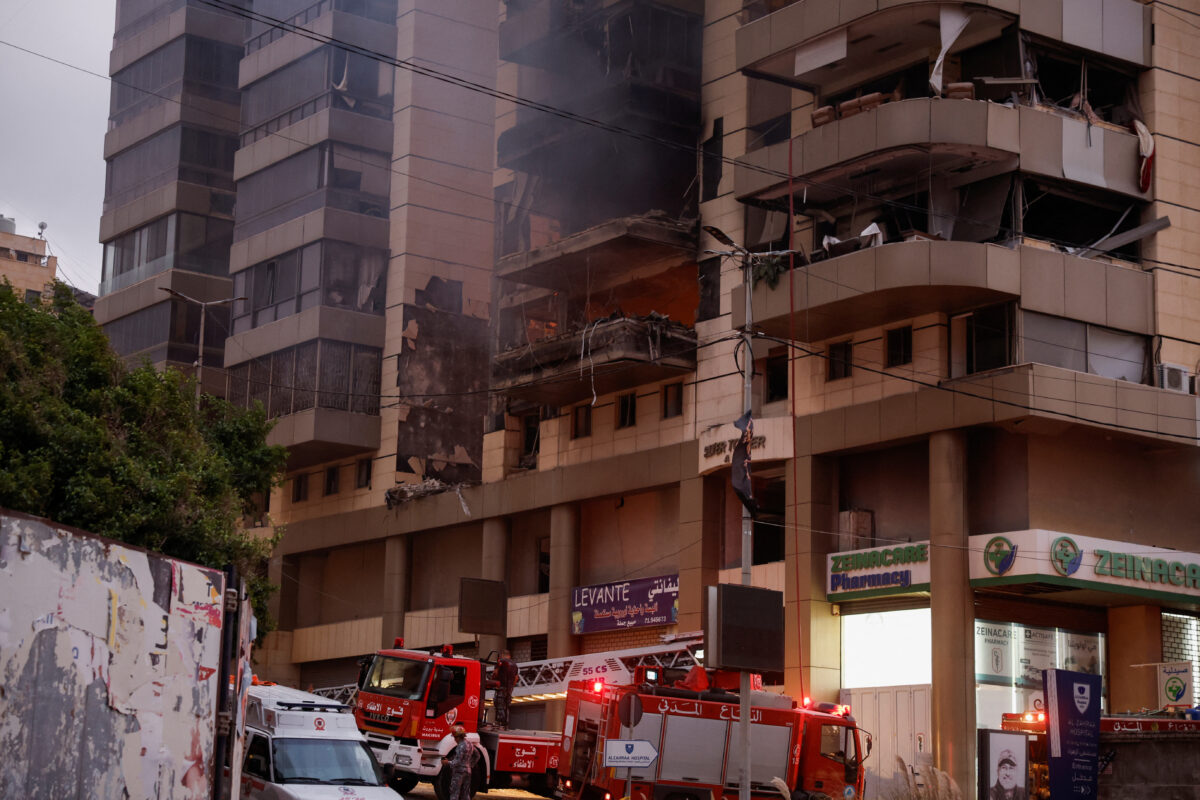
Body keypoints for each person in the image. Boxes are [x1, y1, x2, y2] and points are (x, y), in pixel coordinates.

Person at [442, 724, 476, 800]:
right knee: (466, 794)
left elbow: (457, 762)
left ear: (458, 737)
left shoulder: (461, 746)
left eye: (454, 737)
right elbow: (477, 755)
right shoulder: (470, 744)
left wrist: (447, 762)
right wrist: (470, 765)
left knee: (454, 793)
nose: (454, 739)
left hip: (459, 772)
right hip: (468, 772)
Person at [494, 650, 518, 729]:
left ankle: (499, 723)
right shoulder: (514, 665)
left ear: (501, 655)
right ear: (509, 656)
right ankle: (505, 724)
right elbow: (516, 678)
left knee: (499, 703)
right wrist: (511, 687)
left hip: (501, 687)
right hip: (509, 688)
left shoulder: (500, 662)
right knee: (506, 706)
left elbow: (496, 673)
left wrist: (493, 680)